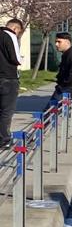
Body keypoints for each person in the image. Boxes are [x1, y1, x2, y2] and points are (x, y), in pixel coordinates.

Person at [0, 19, 24, 149]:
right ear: (15, 28)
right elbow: (16, 58)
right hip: (8, 78)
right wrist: (22, 59)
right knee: (6, 110)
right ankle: (5, 139)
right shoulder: (10, 35)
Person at [51, 32, 72, 102]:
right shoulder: (67, 55)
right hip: (66, 88)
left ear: (67, 42)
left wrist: (63, 84)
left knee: (51, 110)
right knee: (50, 109)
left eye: (59, 42)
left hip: (70, 90)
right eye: (56, 42)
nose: (56, 44)